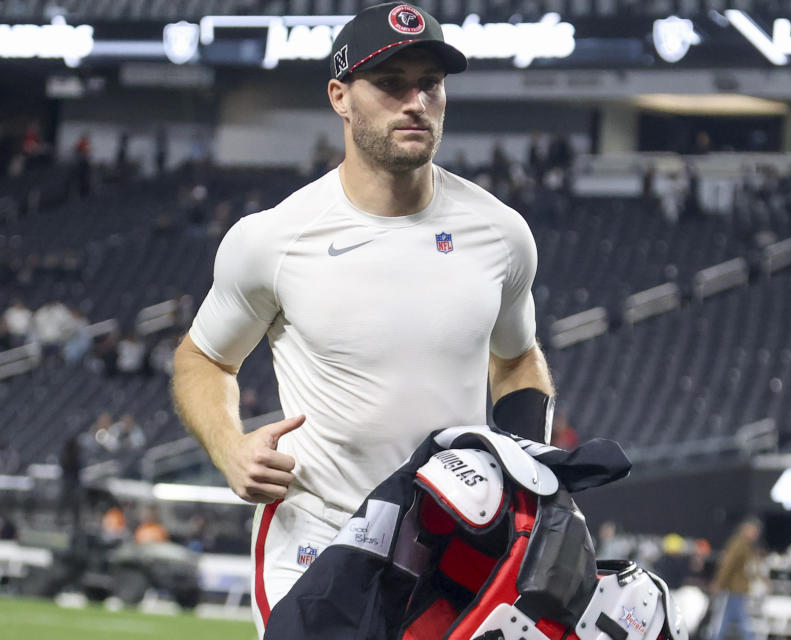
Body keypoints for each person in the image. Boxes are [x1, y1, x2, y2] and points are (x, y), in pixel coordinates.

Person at [171, 4, 555, 637]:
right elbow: (203, 358)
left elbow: (517, 360)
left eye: (429, 83)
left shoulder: (501, 234)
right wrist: (229, 447)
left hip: (451, 543)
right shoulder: (274, 239)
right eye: (391, 83)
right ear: (340, 97)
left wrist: (528, 474)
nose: (415, 102)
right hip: (318, 536)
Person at [709, 517, 761, 640]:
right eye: (753, 530)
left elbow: (750, 568)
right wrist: (719, 583)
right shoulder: (738, 545)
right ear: (745, 529)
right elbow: (728, 565)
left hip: (739, 589)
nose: (756, 534)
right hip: (732, 588)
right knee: (725, 619)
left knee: (728, 619)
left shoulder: (747, 546)